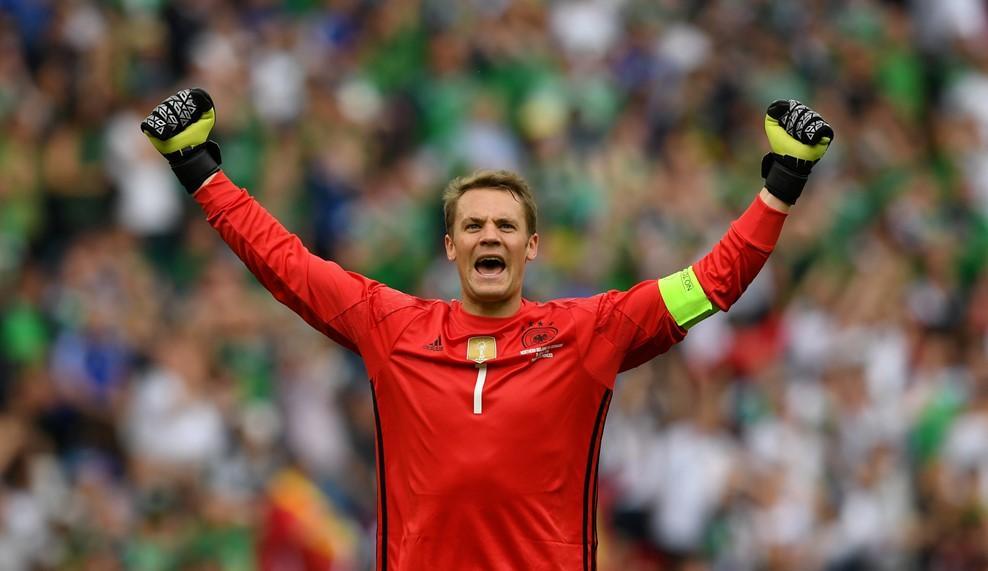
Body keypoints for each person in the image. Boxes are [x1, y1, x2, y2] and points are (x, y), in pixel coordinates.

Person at [141, 88, 832, 570]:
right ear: (451, 247)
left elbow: (711, 283)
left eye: (506, 224)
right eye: (473, 225)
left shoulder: (589, 330)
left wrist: (783, 183)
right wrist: (197, 167)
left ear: (532, 247)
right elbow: (286, 265)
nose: (490, 235)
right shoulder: (392, 325)